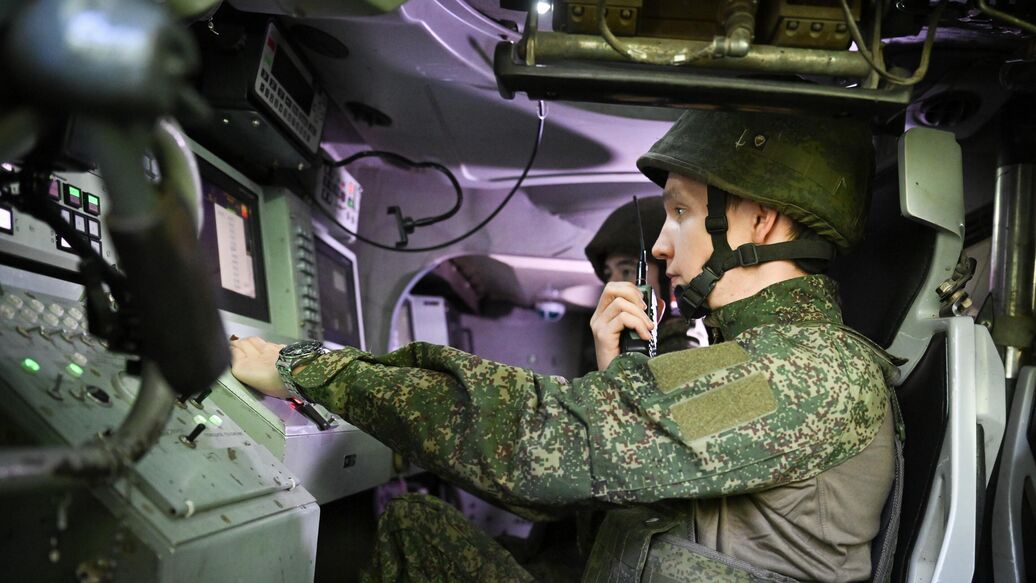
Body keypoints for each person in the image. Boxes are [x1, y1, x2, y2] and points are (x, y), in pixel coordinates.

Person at [230, 109, 901, 582]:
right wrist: (621, 388)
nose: (663, 244)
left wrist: (303, 368)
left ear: (761, 218)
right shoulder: (784, 369)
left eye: (680, 212)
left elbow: (534, 447)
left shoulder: (801, 376)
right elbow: (634, 495)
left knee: (409, 531)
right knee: (416, 527)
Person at [584, 196, 704, 355]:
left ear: (668, 277)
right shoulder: (622, 340)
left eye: (627, 271)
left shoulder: (683, 345)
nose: (612, 286)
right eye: (608, 274)